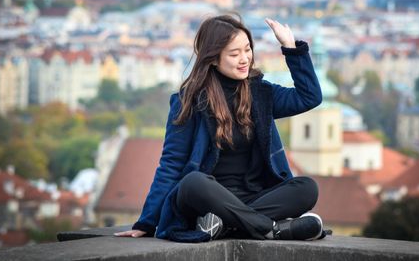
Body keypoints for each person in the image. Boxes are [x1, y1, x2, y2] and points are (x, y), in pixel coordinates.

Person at [115, 14, 325, 243]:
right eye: (235, 54)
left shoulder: (261, 93)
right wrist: (146, 222)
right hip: (206, 201)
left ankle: (226, 226)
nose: (244, 59)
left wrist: (290, 48)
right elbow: (170, 165)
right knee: (193, 181)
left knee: (307, 187)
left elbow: (309, 97)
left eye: (247, 50)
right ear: (214, 58)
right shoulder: (189, 102)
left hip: (252, 197)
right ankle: (272, 228)